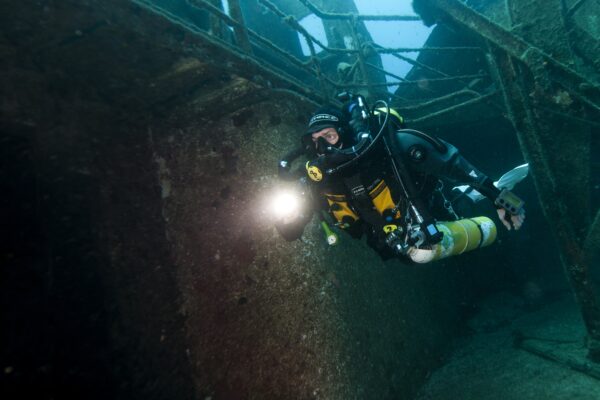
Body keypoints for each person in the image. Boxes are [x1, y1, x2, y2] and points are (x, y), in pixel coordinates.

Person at [275, 93, 526, 261]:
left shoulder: (394, 146)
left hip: (429, 212)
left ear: (346, 134)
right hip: (390, 244)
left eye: (329, 137)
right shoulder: (317, 179)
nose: (324, 149)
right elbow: (291, 231)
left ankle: (465, 195)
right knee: (408, 259)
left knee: (452, 211)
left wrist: (504, 201)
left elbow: (455, 165)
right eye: (315, 141)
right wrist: (287, 221)